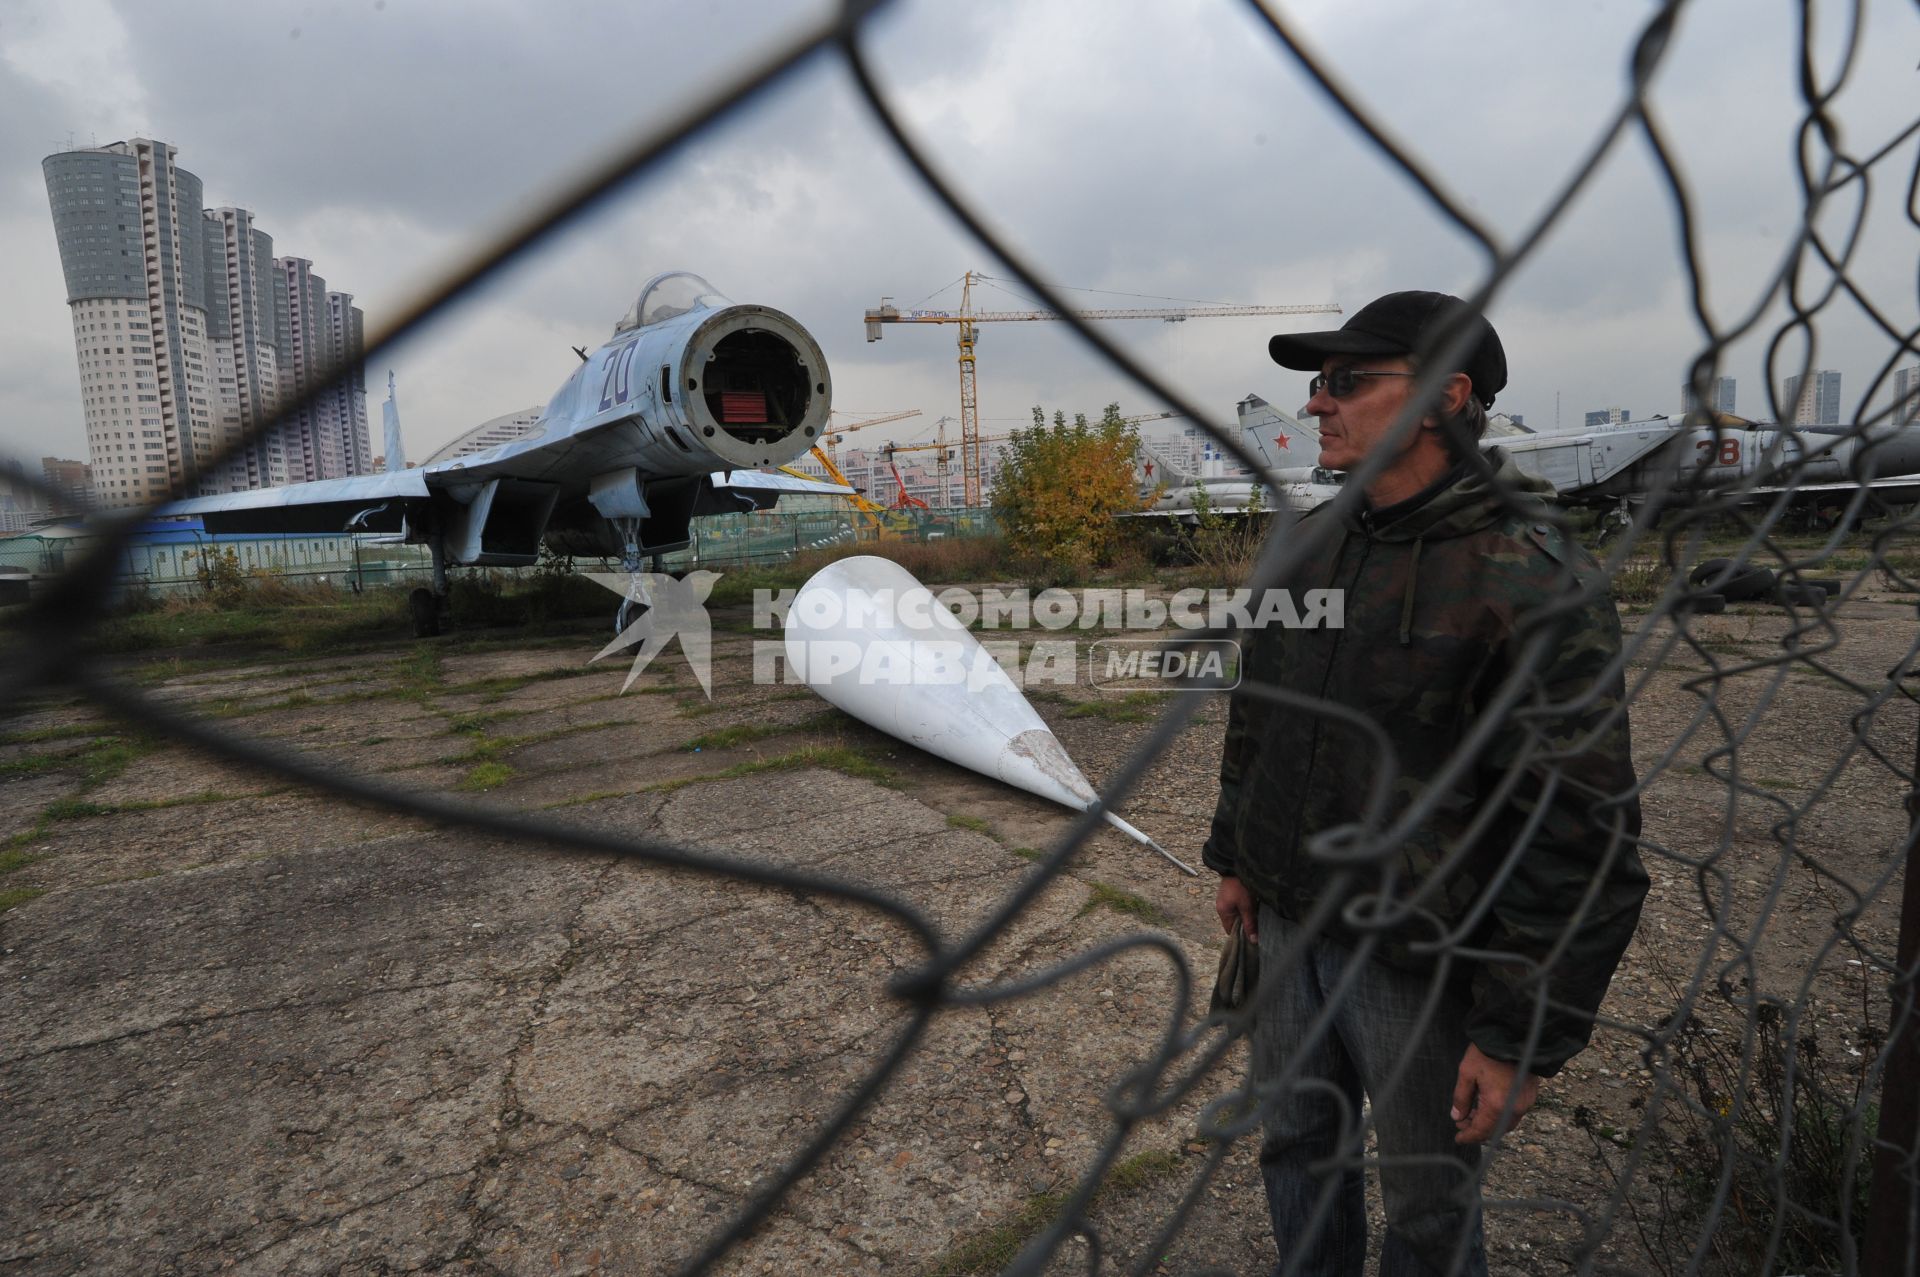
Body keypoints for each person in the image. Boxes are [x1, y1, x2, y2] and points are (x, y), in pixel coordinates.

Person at [1204, 291, 1647, 1276]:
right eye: (1316, 383)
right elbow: (1258, 716)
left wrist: (1519, 1031)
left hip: (1416, 952)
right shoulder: (1309, 547)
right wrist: (1235, 854)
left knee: (1427, 1201)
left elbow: (1579, 827)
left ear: (1446, 399)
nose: (1317, 403)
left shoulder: (1529, 577)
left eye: (1348, 381)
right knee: (1294, 1143)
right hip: (1285, 920)